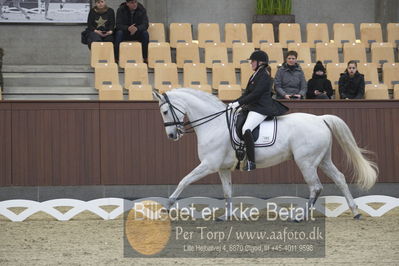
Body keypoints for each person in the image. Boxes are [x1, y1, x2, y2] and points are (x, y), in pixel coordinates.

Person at [228, 51, 289, 171]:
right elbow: (247, 93)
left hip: (261, 107)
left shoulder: (264, 75)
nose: (250, 63)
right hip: (253, 106)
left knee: (247, 128)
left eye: (252, 61)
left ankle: (251, 161)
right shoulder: (255, 75)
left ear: (259, 62)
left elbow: (256, 94)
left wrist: (239, 103)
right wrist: (234, 103)